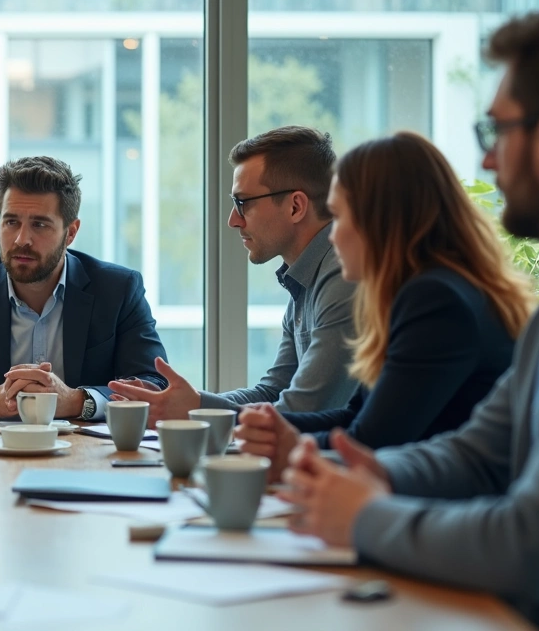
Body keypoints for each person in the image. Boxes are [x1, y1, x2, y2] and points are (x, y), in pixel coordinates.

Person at [278, 6, 539, 630]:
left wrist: (362, 514)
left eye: (495, 132)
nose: (489, 162)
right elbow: (477, 454)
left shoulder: (448, 300)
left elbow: (534, 543)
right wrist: (364, 475)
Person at [233, 131, 534, 479]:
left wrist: (288, 445)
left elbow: (371, 442)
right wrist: (263, 426)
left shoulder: (436, 302)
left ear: (381, 223)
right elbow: (356, 416)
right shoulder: (429, 291)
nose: (332, 234)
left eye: (339, 216)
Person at [110, 127, 358, 426]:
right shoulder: (306, 279)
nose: (233, 219)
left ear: (295, 206)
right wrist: (181, 401)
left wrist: (194, 408)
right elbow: (273, 391)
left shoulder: (344, 275)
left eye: (244, 202)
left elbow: (300, 410)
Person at [0, 156, 168, 423]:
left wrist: (77, 401)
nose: (21, 239)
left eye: (39, 224)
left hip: (88, 456)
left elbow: (155, 384)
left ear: (71, 232)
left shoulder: (118, 290)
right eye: (11, 222)